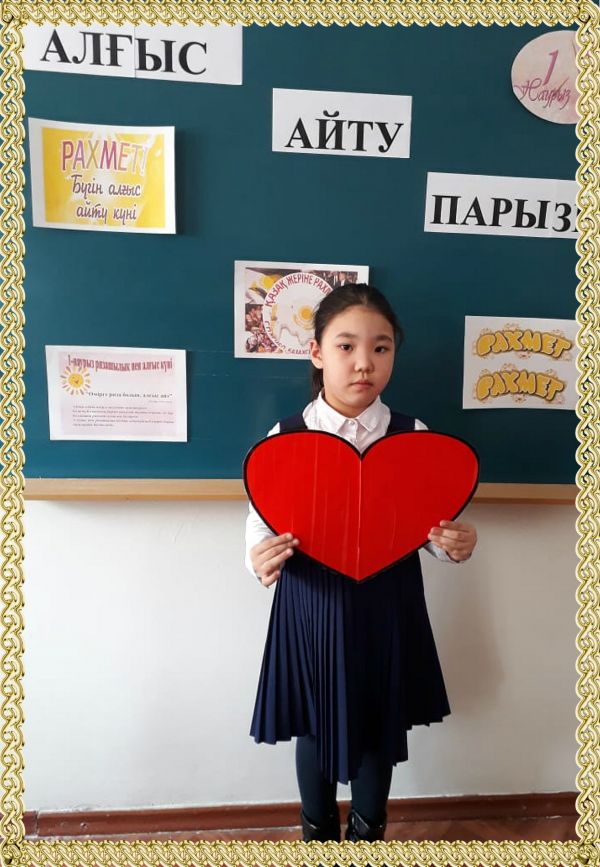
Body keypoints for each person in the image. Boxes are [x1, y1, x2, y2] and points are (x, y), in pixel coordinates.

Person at [245, 284, 477, 843]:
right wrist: (259, 558)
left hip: (386, 601)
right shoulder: (287, 436)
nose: (364, 363)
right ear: (317, 352)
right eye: (346, 346)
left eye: (381, 348)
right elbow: (261, 518)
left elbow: (427, 528)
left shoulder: (412, 436)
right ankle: (318, 835)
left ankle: (368, 837)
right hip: (311, 603)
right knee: (314, 722)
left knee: (378, 721)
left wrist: (453, 543)